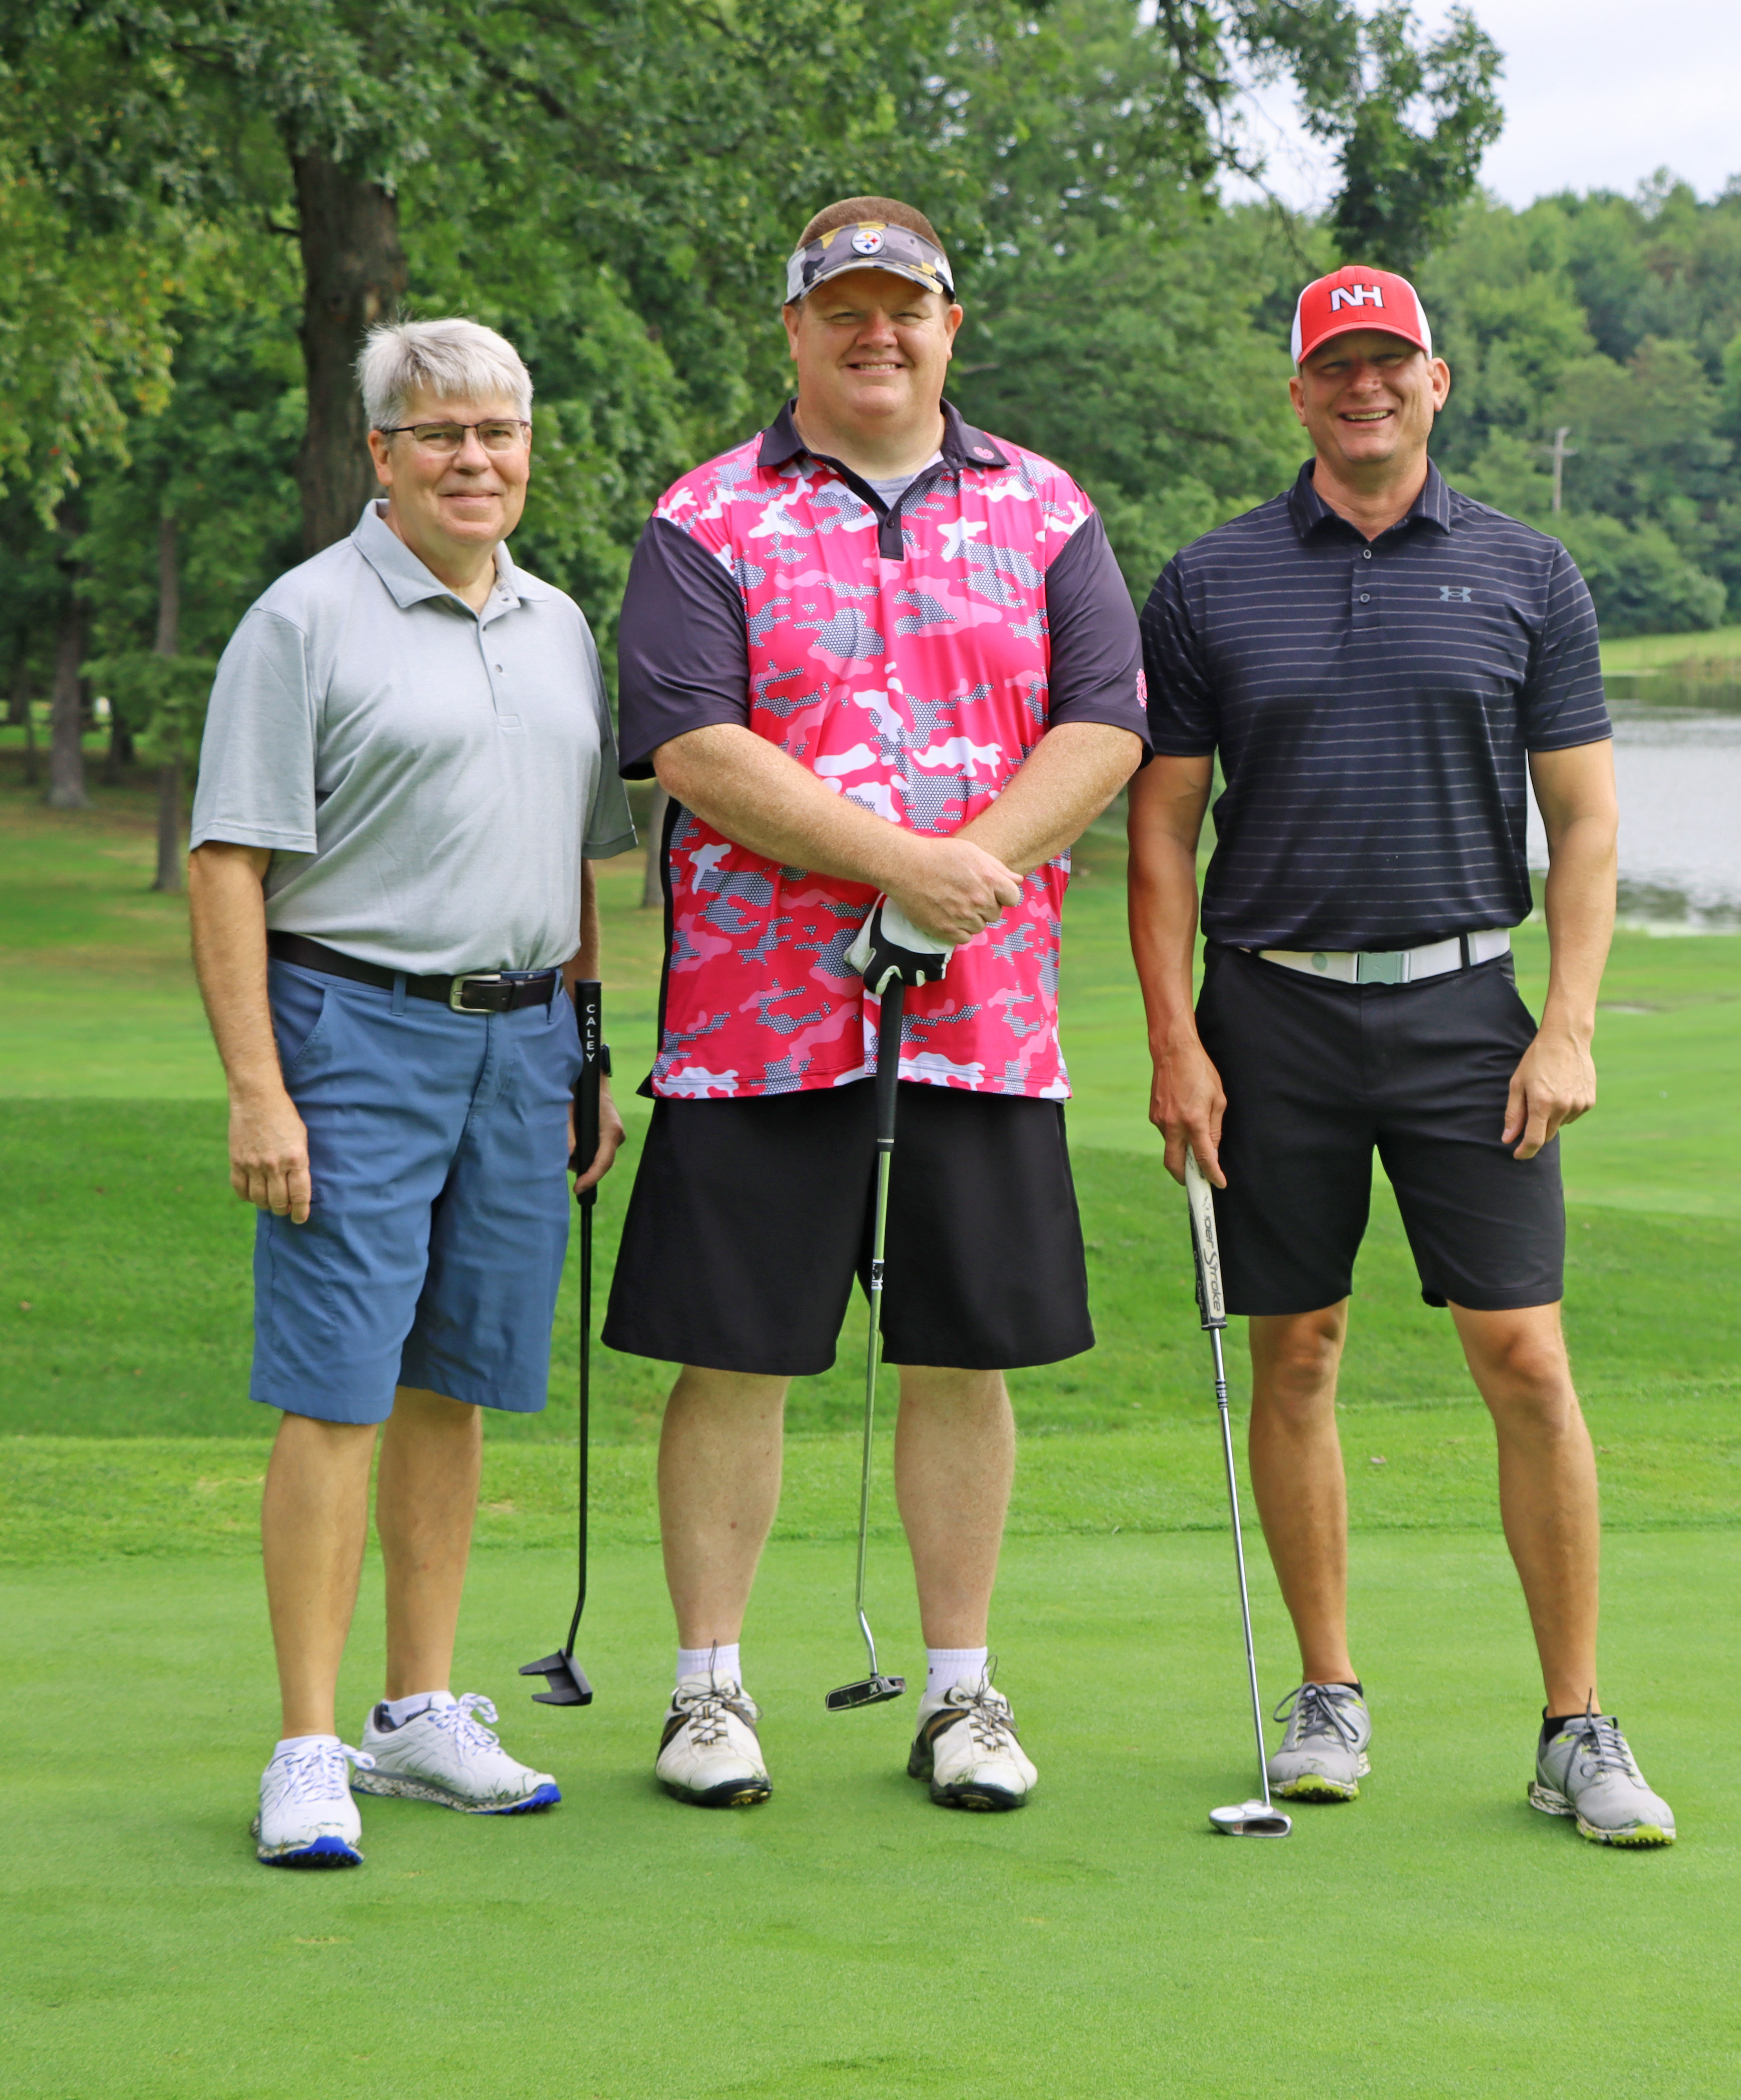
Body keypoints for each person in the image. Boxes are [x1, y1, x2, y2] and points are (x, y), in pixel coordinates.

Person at [601, 197, 1145, 1813]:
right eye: (841, 308)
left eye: (902, 308)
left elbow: (1106, 722)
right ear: (795, 332)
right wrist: (907, 862)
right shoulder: (706, 517)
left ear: (949, 325)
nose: (875, 333)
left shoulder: (1047, 509)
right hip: (757, 1024)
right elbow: (694, 746)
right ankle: (709, 1693)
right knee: (735, 1354)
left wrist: (963, 873)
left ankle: (962, 1695)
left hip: (984, 1019)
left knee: (959, 1353)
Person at [1127, 265, 1676, 1847]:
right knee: (1295, 1352)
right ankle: (1327, 1693)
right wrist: (1176, 1039)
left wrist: (1566, 1023)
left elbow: (1583, 822)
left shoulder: (1528, 572)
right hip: (1268, 1014)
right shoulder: (1212, 581)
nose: (1364, 387)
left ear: (1438, 383)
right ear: (1297, 395)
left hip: (1464, 1015)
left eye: (1392, 363)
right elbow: (1162, 834)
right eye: (1334, 367)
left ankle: (1577, 1723)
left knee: (1526, 1358)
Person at [186, 317, 640, 1868]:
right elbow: (228, 863)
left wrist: (588, 1048)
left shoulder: (562, 625)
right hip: (351, 1032)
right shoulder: (301, 622)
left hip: (521, 1045)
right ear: (382, 454)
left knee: (457, 1383)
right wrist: (260, 1087)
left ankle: (419, 1713)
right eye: (438, 433)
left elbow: (578, 865)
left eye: (499, 433)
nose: (474, 459)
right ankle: (308, 1743)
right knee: (340, 1389)